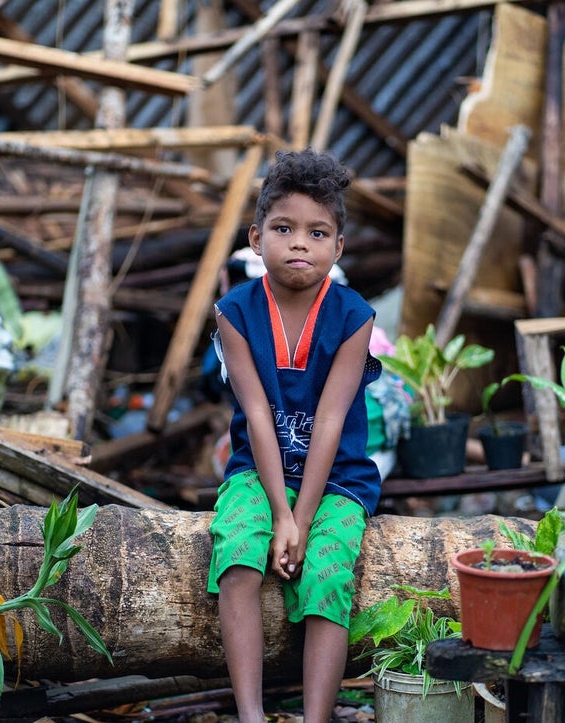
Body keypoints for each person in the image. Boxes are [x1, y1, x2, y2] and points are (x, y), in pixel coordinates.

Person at [208, 148, 382, 723]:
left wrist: (301, 521)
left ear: (338, 247)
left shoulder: (355, 317)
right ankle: (251, 715)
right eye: (284, 228)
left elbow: (331, 421)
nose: (299, 243)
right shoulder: (234, 311)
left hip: (338, 481)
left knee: (329, 571)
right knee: (236, 553)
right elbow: (257, 415)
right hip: (256, 473)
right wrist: (277, 513)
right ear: (256, 238)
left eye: (317, 232)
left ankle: (316, 718)